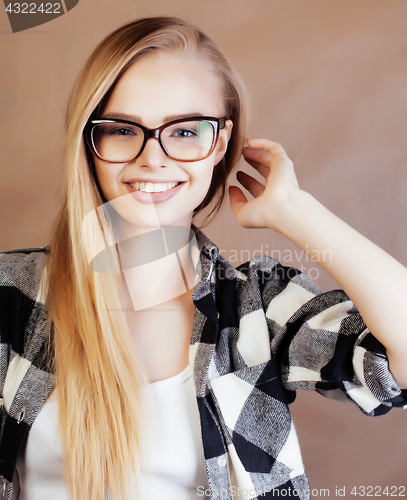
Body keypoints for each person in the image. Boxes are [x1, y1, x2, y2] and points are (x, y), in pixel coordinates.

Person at [1, 16, 406, 500]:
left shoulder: (259, 307)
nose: (153, 158)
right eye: (123, 130)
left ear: (220, 143)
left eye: (187, 131)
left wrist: (295, 211)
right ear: (90, 143)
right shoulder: (11, 292)